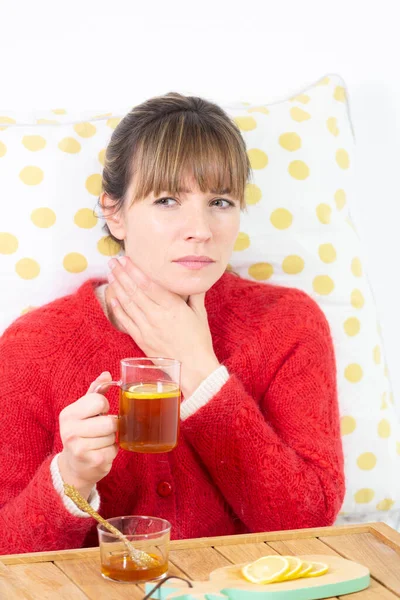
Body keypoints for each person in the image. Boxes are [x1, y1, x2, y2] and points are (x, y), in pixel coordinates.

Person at [0, 92, 345, 555]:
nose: (200, 228)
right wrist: (71, 477)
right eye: (167, 200)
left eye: (220, 201)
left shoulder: (287, 324)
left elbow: (309, 521)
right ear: (114, 213)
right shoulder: (32, 346)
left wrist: (200, 368)